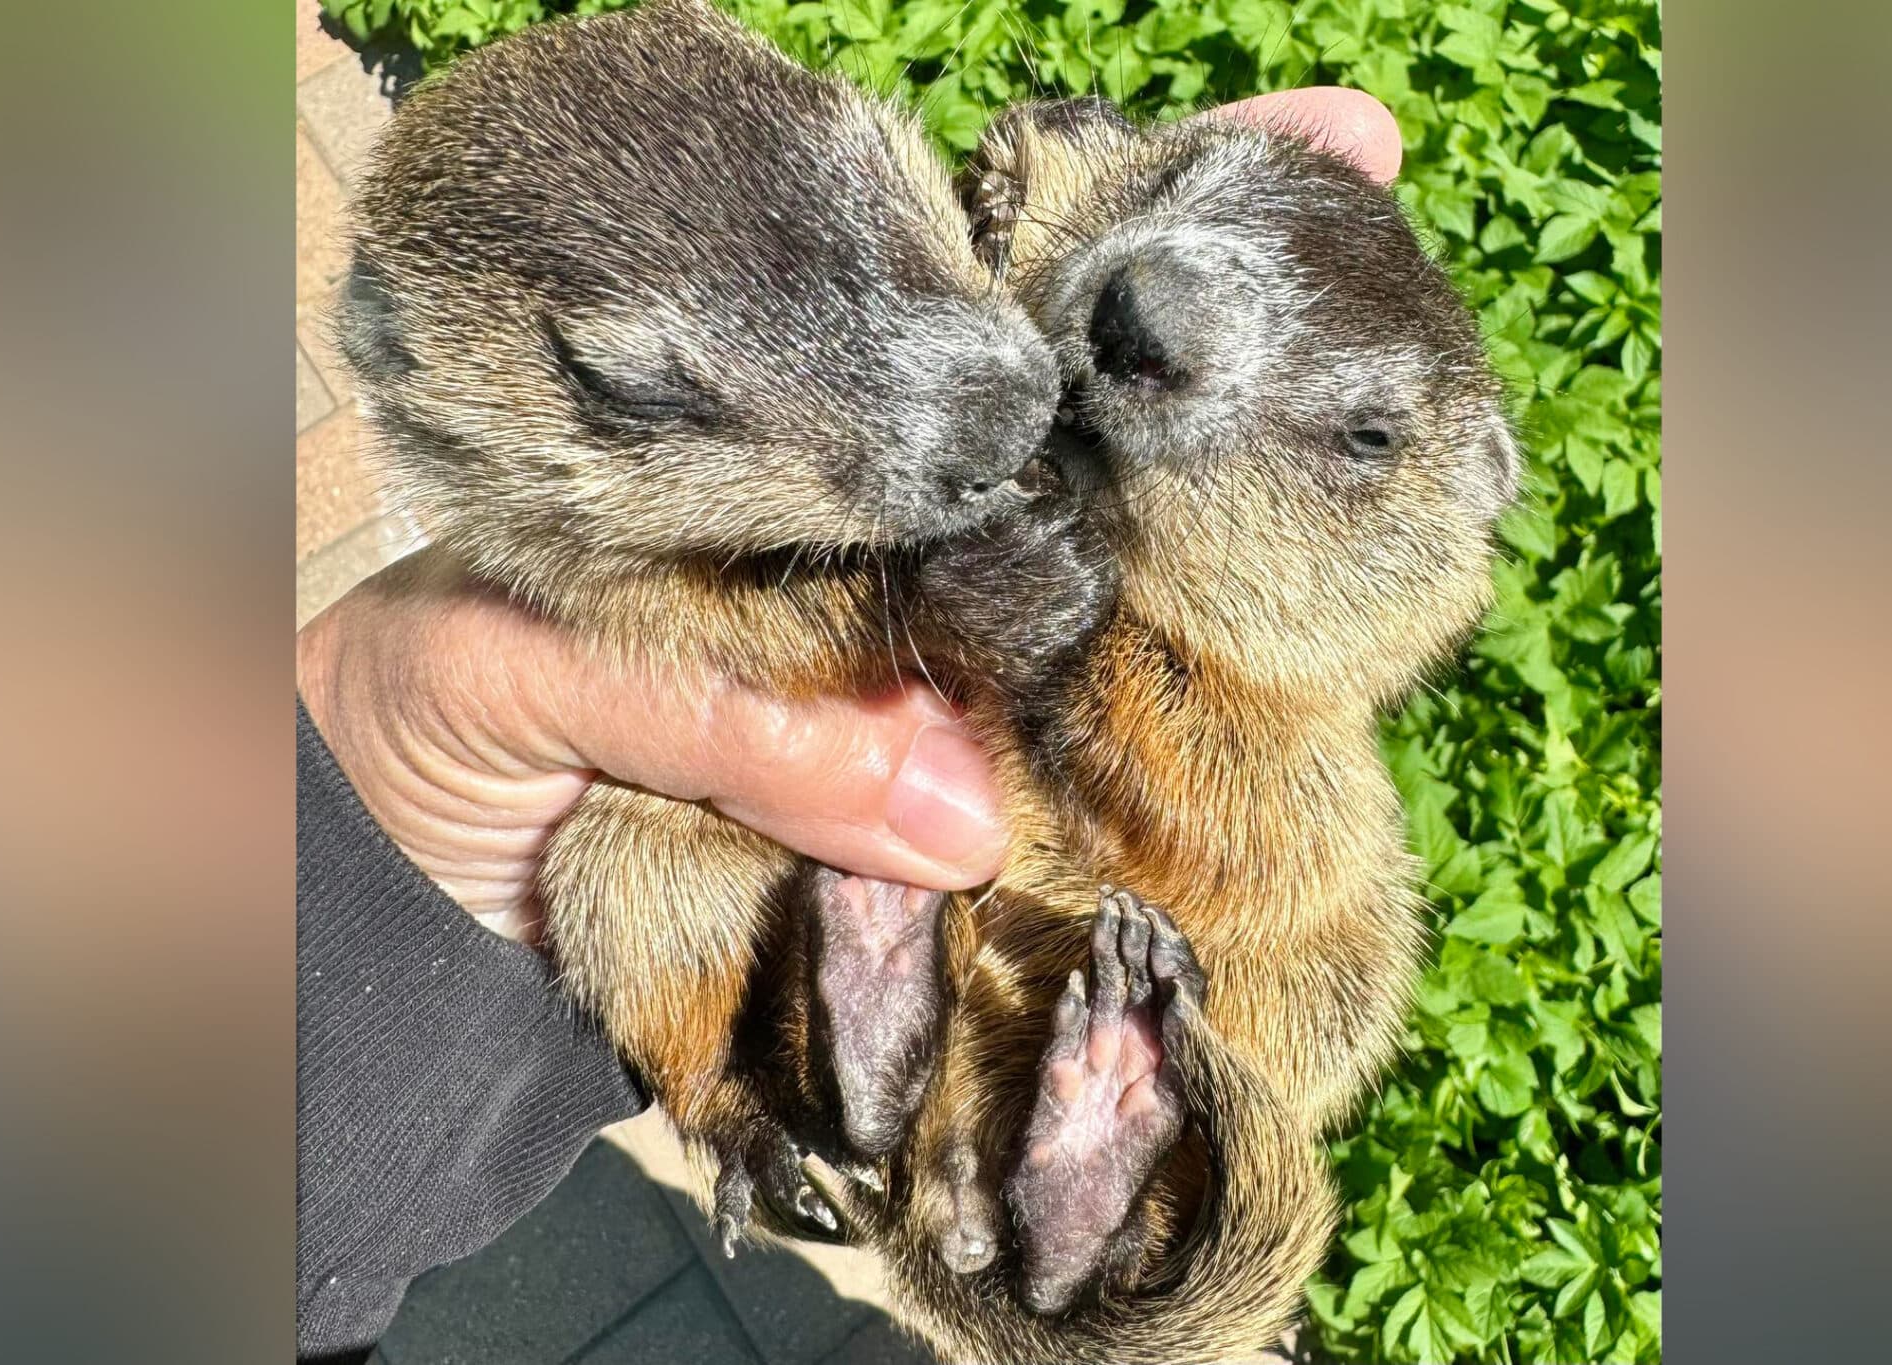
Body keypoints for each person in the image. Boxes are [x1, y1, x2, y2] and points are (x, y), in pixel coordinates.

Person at [294, 89, 1403, 1363]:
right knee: (627, 863)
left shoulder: (1272, 625)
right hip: (795, 923)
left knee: (1300, 969)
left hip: (1119, 947)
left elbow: (1253, 858)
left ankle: (1067, 1163)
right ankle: (902, 1082)